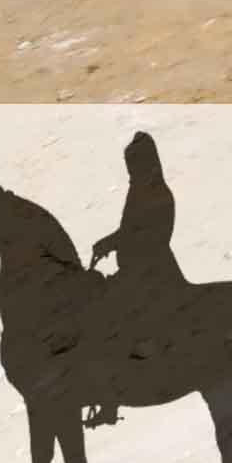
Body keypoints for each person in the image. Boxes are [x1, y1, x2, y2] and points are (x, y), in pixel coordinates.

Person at [79, 131, 181, 426]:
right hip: (135, 269)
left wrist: (118, 242)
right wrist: (110, 242)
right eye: (130, 166)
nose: (131, 171)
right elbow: (130, 229)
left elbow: (151, 235)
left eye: (135, 165)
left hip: (152, 271)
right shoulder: (138, 191)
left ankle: (117, 393)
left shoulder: (158, 194)